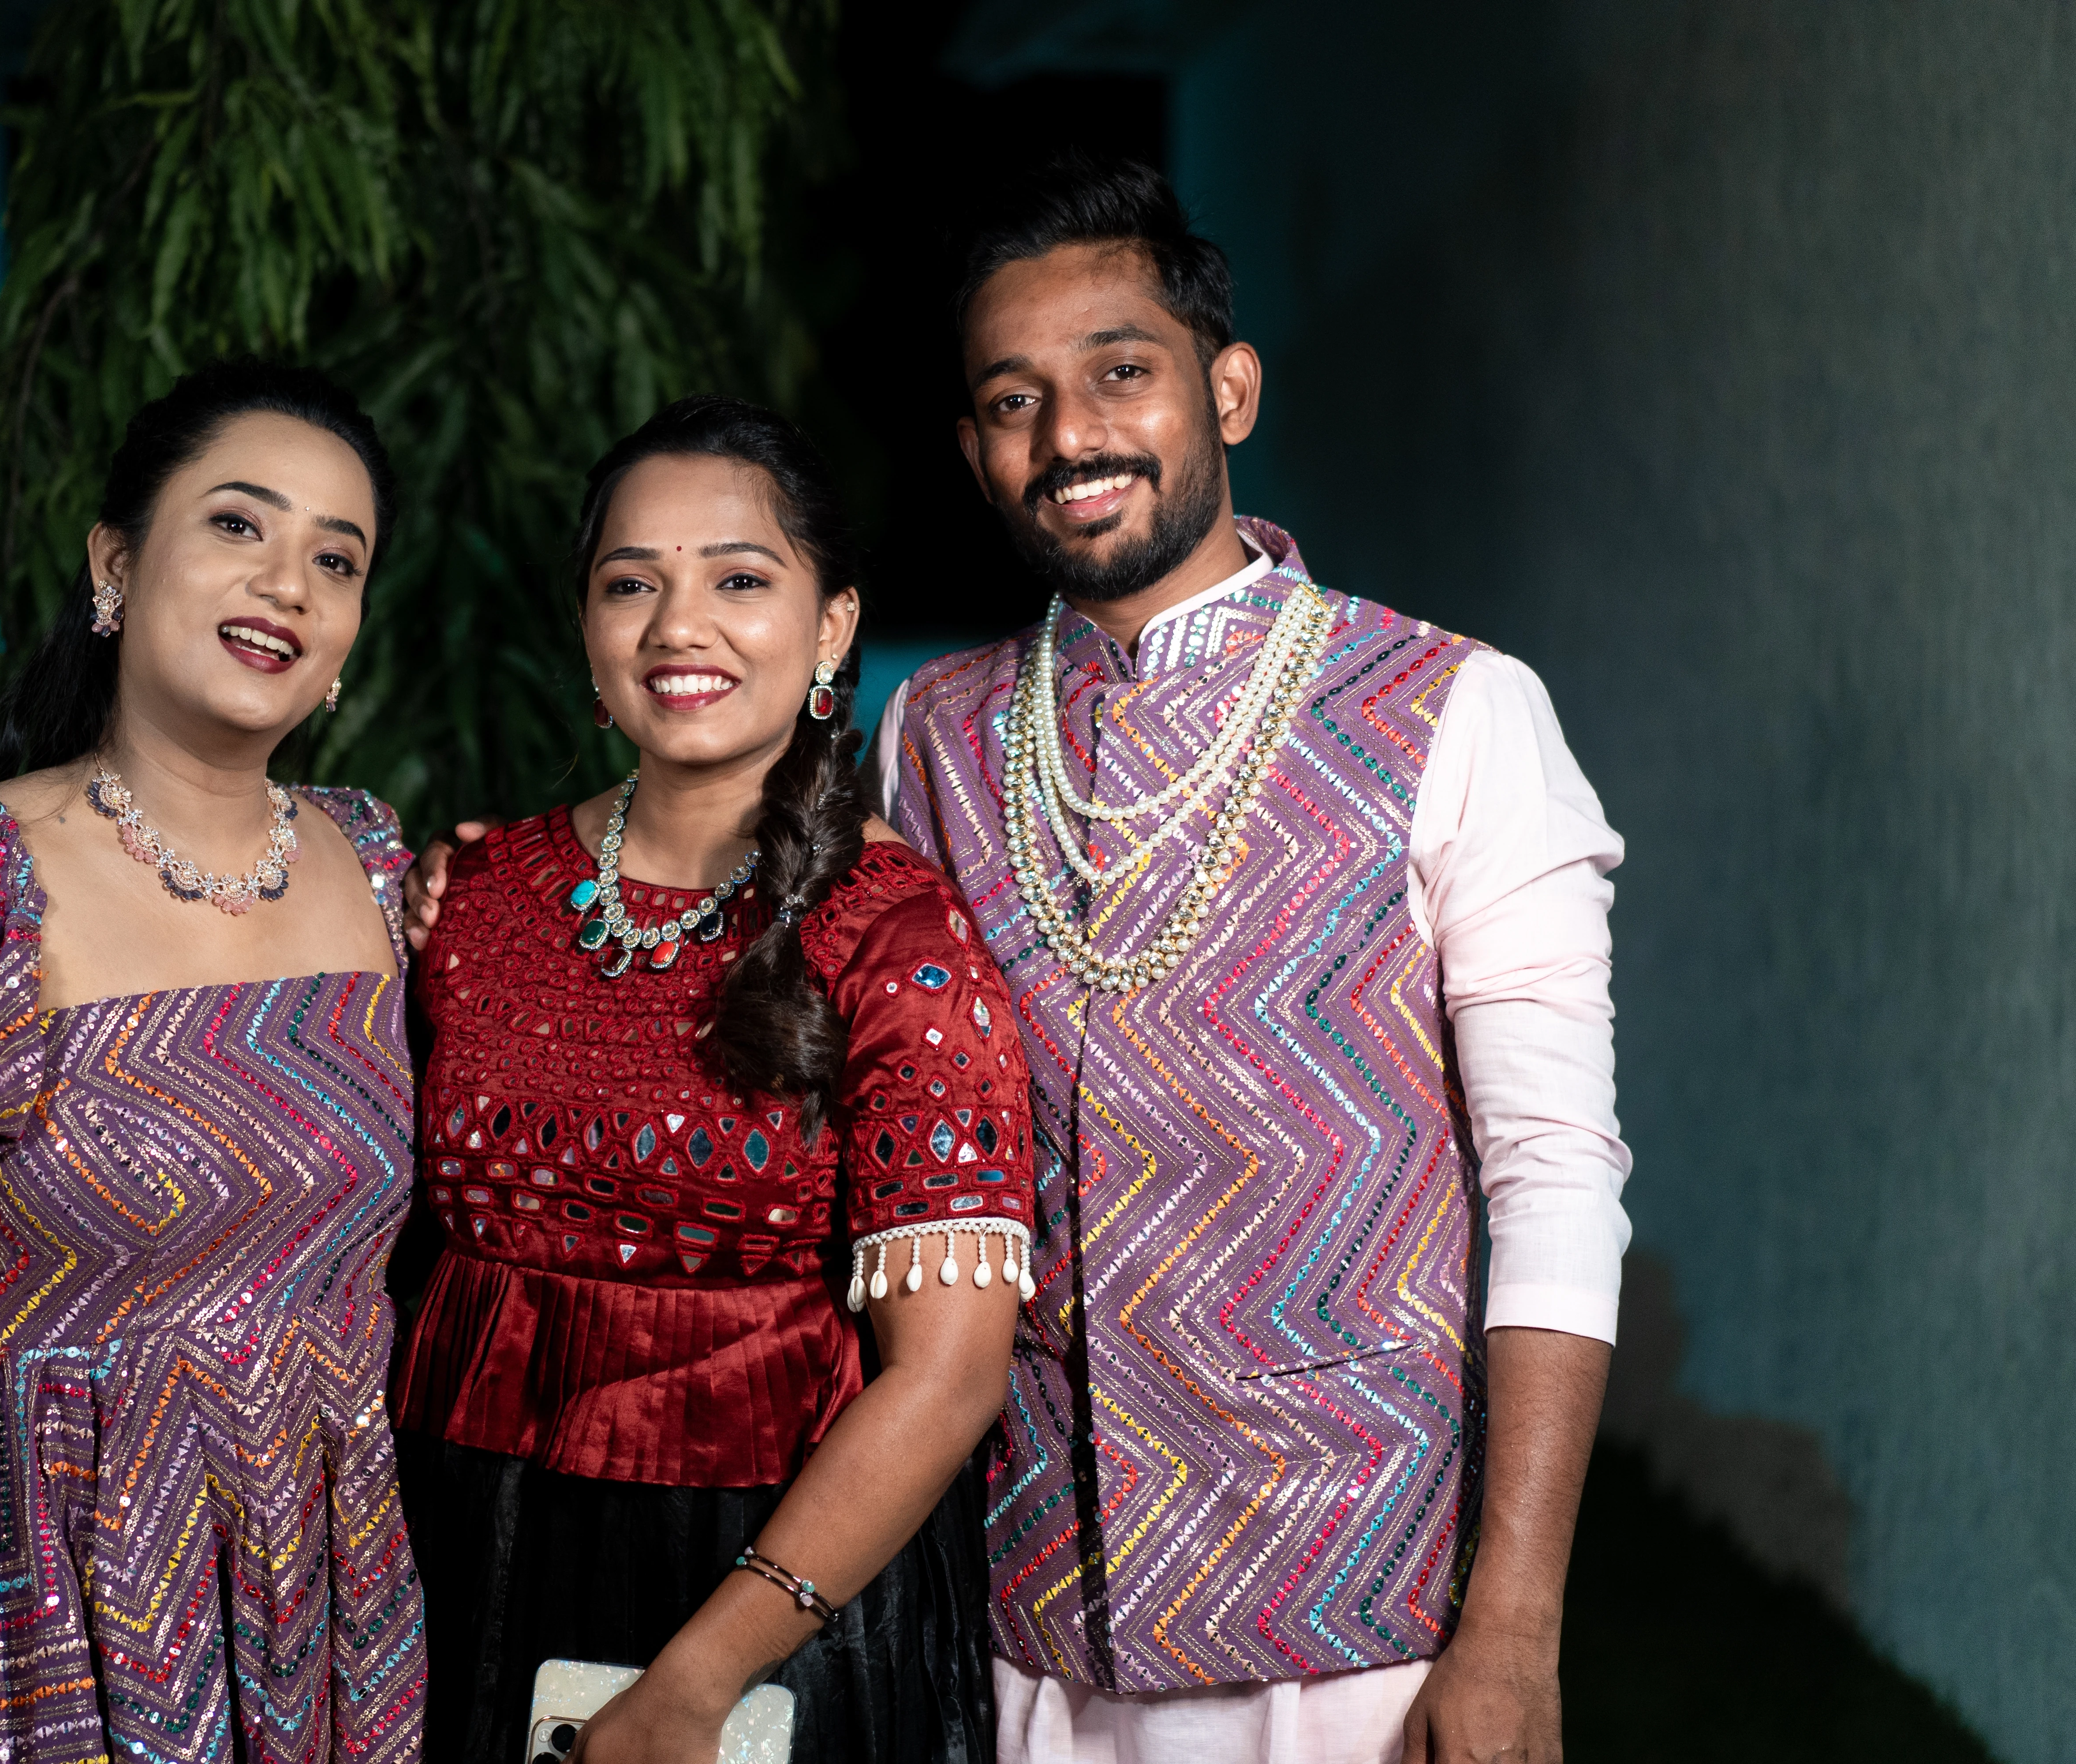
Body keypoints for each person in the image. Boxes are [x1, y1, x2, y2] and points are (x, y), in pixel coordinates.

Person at [414, 155, 1632, 1764]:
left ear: (1231, 389)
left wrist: (1517, 1628)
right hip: (1016, 1609)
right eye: (1012, 400)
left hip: (1354, 1601)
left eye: (1121, 373)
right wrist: (477, 897)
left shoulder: (1459, 709)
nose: (1070, 438)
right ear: (977, 447)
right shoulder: (941, 726)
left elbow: (1555, 1180)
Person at [0, 359, 426, 1763]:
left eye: (332, 558)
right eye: (237, 525)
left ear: (349, 629)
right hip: (21, 1626)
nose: (284, 580)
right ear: (117, 561)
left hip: (315, 1614)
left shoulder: (381, 866)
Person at [388, 395, 1032, 1764]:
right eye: (634, 584)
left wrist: (699, 1677)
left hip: (768, 1595)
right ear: (587, 625)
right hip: (461, 1559)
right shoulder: (477, 899)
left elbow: (954, 1377)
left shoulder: (901, 940)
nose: (680, 627)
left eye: (740, 580)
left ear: (833, 627)